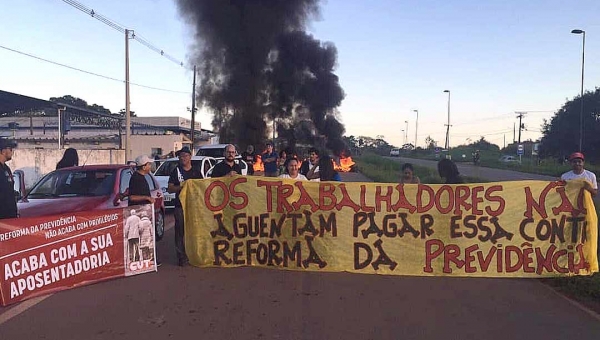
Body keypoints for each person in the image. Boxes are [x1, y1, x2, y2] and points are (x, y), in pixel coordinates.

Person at [168, 146, 203, 266]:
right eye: (180, 156)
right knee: (179, 231)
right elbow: (170, 188)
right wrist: (181, 187)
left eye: (185, 156)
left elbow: (202, 187)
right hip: (180, 206)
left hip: (193, 206)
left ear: (190, 157)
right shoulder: (176, 171)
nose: (182, 158)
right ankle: (181, 257)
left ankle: (193, 254)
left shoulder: (196, 171)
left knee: (194, 231)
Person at [128, 155, 159, 265]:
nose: (150, 166)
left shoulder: (141, 177)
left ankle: (148, 260)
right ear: (144, 166)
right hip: (139, 211)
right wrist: (147, 198)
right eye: (149, 164)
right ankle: (144, 261)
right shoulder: (136, 178)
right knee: (141, 241)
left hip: (144, 212)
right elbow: (132, 197)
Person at [0, 138, 17, 219]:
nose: (12, 152)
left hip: (10, 216)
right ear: (3, 151)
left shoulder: (6, 168)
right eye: (10, 149)